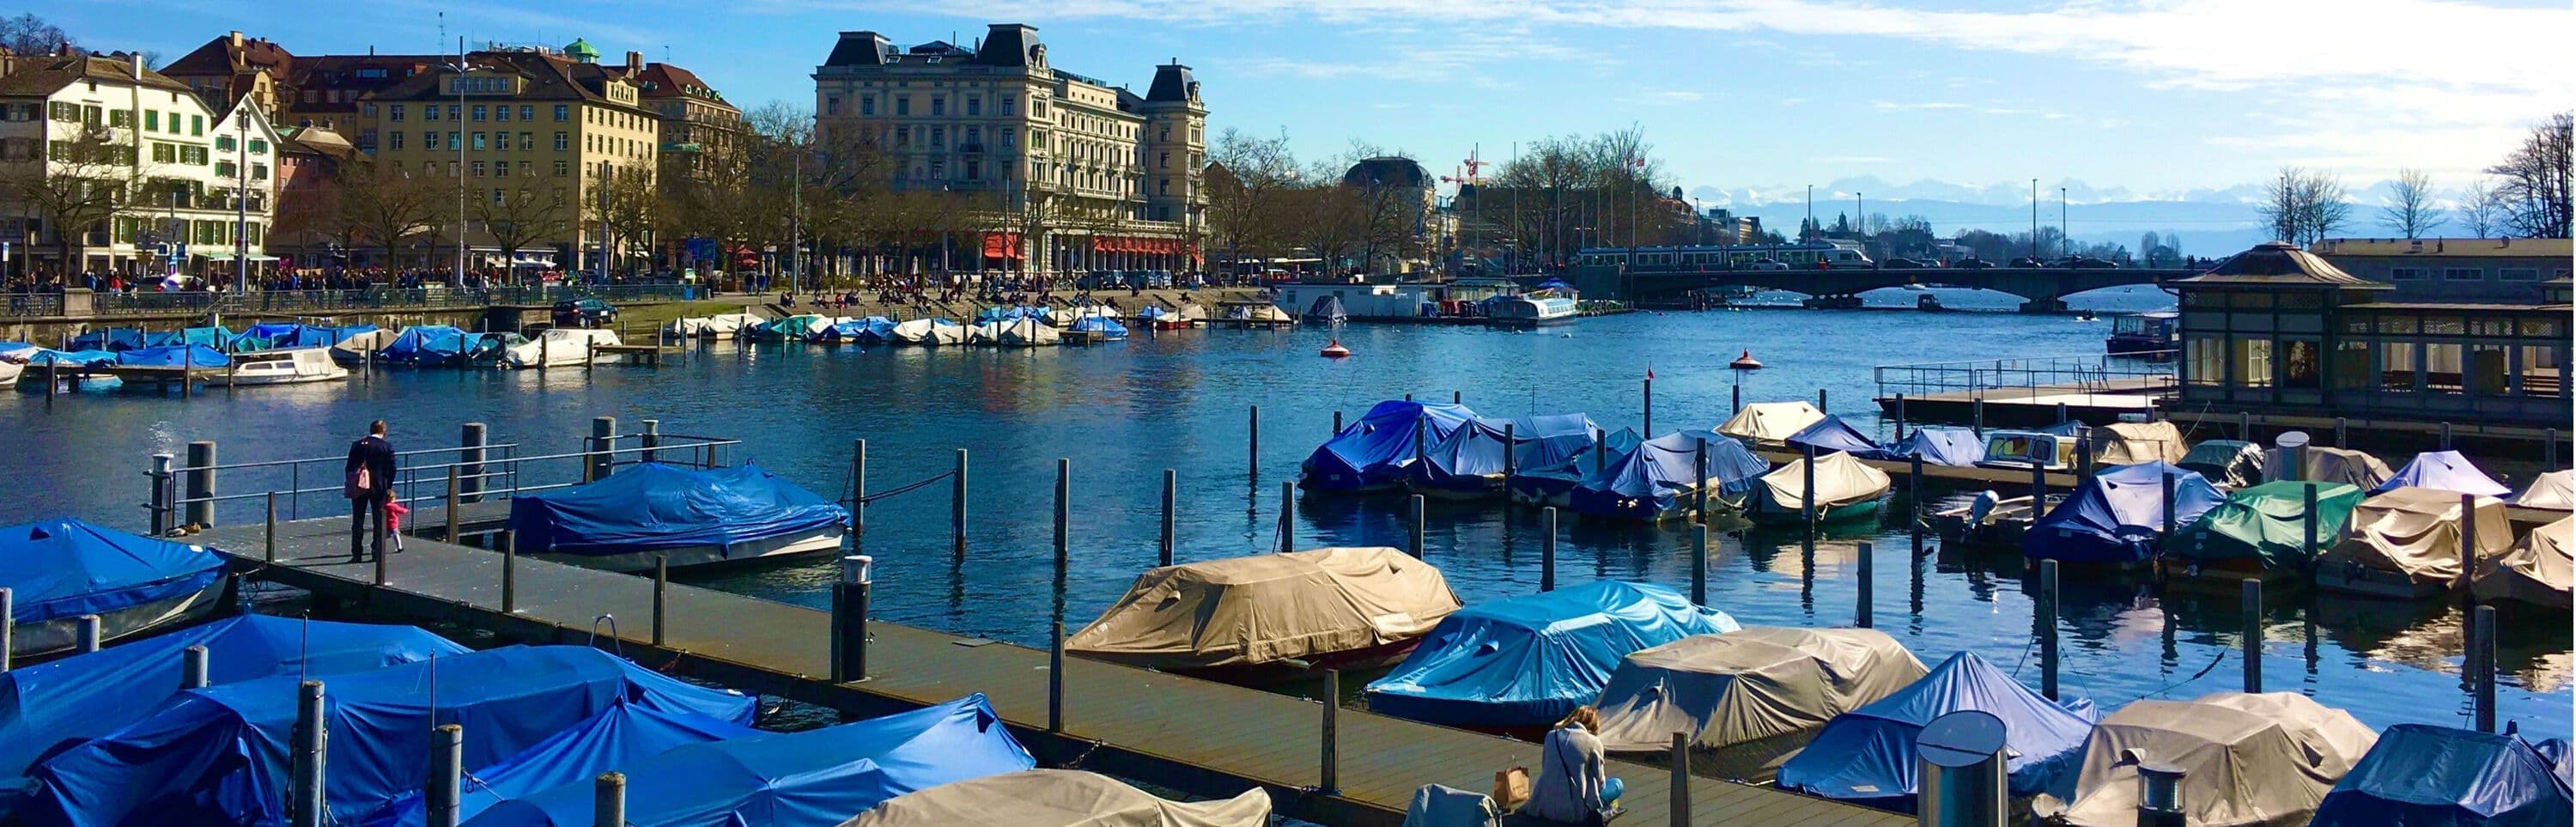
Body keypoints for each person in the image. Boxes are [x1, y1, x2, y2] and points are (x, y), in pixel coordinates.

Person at [1522, 706, 1620, 824]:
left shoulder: (1551, 736)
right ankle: (1606, 810)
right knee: (1617, 784)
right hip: (1573, 812)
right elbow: (1600, 782)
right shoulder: (1594, 742)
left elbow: (1545, 767)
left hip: (1544, 805)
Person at [344, 420, 397, 561]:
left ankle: (356, 553)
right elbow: (392, 469)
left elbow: (349, 467)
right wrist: (388, 487)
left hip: (359, 486)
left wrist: (352, 483)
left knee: (358, 520)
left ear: (370, 429)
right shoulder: (386, 447)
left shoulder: (357, 445)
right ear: (384, 431)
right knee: (378, 521)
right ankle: (376, 552)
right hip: (379, 487)